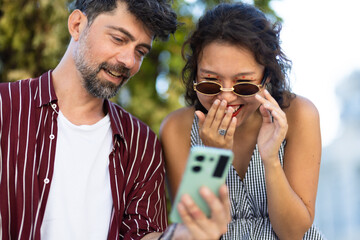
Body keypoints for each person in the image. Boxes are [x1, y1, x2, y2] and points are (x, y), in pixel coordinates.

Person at [0, 0, 230, 239]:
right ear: (77, 24)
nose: (129, 61)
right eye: (118, 39)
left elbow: (144, 233)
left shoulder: (142, 143)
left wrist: (182, 234)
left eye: (140, 52)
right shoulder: (5, 108)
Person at [160, 2, 325, 239]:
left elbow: (293, 232)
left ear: (266, 77)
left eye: (244, 84)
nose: (226, 97)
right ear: (194, 74)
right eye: (210, 81)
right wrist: (213, 159)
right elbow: (193, 232)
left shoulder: (299, 115)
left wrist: (271, 159)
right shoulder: (177, 128)